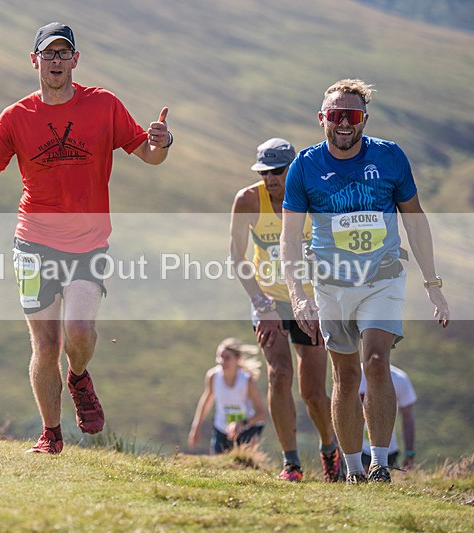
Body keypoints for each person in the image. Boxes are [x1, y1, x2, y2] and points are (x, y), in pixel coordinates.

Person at [0, 22, 172, 454]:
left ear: (76, 59)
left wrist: (163, 142)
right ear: (34, 60)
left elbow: (149, 156)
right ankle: (50, 434)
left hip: (89, 244)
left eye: (63, 53)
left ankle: (79, 377)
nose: (56, 61)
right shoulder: (15, 117)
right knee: (45, 343)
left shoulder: (104, 105)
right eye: (48, 53)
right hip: (33, 243)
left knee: (78, 330)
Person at [280, 79, 449, 484]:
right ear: (322, 118)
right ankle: (353, 469)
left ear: (364, 120)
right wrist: (298, 297)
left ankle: (379, 465)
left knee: (375, 361)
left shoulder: (390, 157)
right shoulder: (305, 165)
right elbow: (289, 239)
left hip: (382, 279)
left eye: (352, 117)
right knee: (345, 375)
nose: (343, 124)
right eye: (336, 116)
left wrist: (433, 283)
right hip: (331, 284)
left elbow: (415, 220)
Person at [228, 138, 343, 482]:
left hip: (312, 300)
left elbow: (334, 254)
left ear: (292, 169)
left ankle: (329, 450)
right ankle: (291, 464)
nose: (271, 179)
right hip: (271, 301)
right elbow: (236, 257)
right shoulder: (248, 200)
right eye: (265, 172)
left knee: (313, 392)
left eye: (278, 171)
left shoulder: (314, 197)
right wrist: (261, 305)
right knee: (279, 374)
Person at [188, 338, 267, 454]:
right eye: (220, 356)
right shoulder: (213, 377)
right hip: (221, 429)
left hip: (245, 430)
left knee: (244, 466)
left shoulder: (247, 380)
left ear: (237, 359)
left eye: (227, 358)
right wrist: (196, 428)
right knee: (218, 467)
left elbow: (261, 414)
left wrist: (241, 423)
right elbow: (206, 402)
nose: (221, 361)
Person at [359, 364, 417, 471]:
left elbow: (407, 417)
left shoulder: (400, 379)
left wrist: (409, 452)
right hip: (358, 448)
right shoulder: (354, 374)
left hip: (388, 449)